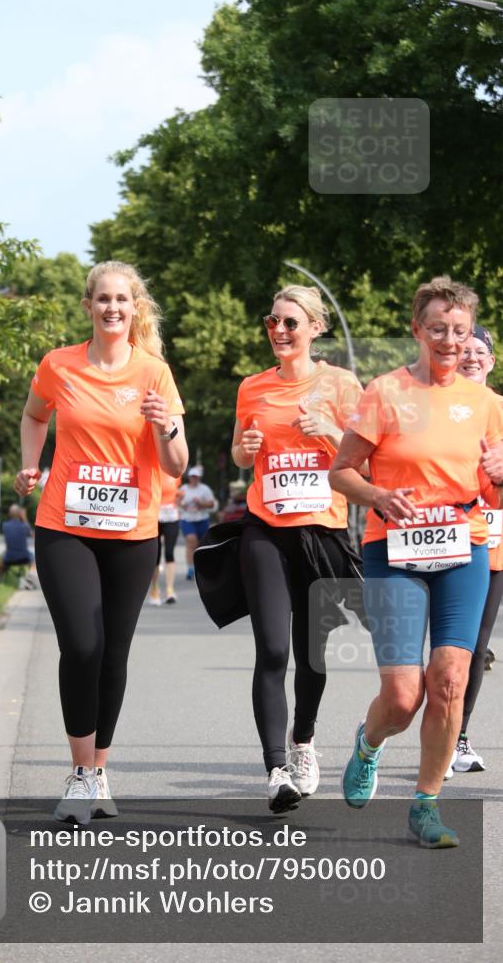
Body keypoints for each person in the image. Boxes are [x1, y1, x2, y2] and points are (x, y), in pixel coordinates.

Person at [330, 276, 503, 849]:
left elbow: (496, 493)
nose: (450, 340)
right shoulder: (385, 391)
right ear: (417, 330)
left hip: (464, 547)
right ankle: (369, 743)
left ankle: (426, 804)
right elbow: (343, 471)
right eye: (438, 329)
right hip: (395, 549)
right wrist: (377, 496)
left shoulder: (487, 404)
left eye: (459, 330)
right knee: (404, 698)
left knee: (450, 679)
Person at [13, 260, 188, 824]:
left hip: (133, 532)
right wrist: (30, 466)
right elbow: (35, 414)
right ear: (88, 306)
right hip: (65, 525)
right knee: (82, 645)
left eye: (123, 299)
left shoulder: (154, 372)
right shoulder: (58, 365)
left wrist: (166, 427)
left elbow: (177, 465)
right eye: (103, 299)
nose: (113, 307)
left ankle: (99, 769)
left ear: (135, 309)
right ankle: (81, 772)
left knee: (113, 652)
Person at [231, 284, 364, 812]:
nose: (279, 332)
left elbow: (367, 462)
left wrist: (329, 429)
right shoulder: (252, 388)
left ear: (315, 327)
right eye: (273, 322)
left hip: (323, 534)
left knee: (312, 652)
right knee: (272, 649)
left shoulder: (341, 383)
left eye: (290, 323)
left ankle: (303, 742)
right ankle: (276, 770)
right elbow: (241, 457)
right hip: (265, 528)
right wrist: (242, 450)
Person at [442, 325, 503, 775]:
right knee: (444, 652)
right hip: (443, 538)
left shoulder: (500, 409)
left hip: (493, 544)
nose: (470, 357)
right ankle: (401, 722)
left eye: (479, 351)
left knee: (476, 646)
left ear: (492, 361)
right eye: (463, 351)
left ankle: (456, 739)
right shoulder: (437, 406)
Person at [148, 472, 181, 605]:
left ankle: (169, 590)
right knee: (156, 554)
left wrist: (179, 497)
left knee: (169, 553)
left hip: (171, 516)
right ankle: (155, 588)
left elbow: (177, 491)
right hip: (154, 515)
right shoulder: (153, 469)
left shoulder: (176, 473)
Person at [177, 467, 215, 579]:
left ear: (199, 478)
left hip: (202, 519)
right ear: (189, 477)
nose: (194, 479)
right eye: (192, 477)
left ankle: (200, 568)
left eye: (196, 477)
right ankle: (190, 568)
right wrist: (183, 505)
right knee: (191, 541)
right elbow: (178, 502)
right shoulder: (183, 489)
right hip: (187, 519)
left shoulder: (205, 489)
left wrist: (201, 503)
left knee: (201, 545)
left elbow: (211, 504)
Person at [0, 504, 35, 578]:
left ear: (9, 514)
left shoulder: (5, 525)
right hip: (24, 556)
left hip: (9, 557)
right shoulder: (24, 526)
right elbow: (33, 536)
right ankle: (30, 578)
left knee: (2, 556)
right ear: (19, 514)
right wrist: (24, 518)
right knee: (34, 557)